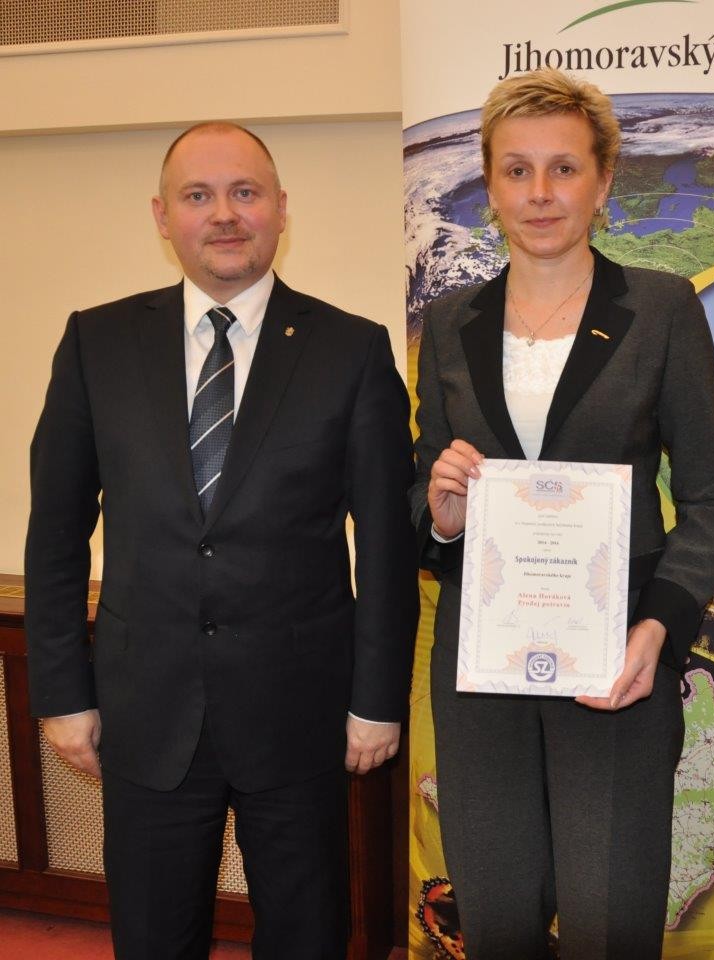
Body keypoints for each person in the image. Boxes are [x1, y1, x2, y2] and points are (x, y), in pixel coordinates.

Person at [25, 122, 419, 959]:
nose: (225, 214)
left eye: (245, 192)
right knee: (153, 938)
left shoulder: (351, 350)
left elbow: (385, 545)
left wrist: (377, 700)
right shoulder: (96, 342)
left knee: (307, 937)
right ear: (162, 216)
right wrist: (60, 693)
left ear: (281, 208)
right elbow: (56, 532)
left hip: (301, 716)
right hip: (146, 713)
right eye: (198, 196)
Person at [411, 69, 714, 959]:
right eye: (516, 170)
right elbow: (421, 492)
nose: (540, 193)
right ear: (491, 186)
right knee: (498, 923)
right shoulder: (448, 323)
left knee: (608, 924)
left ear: (603, 183)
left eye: (564, 169)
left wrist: (657, 630)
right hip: (482, 670)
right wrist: (442, 513)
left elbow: (713, 499)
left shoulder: (662, 309)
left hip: (617, 665)